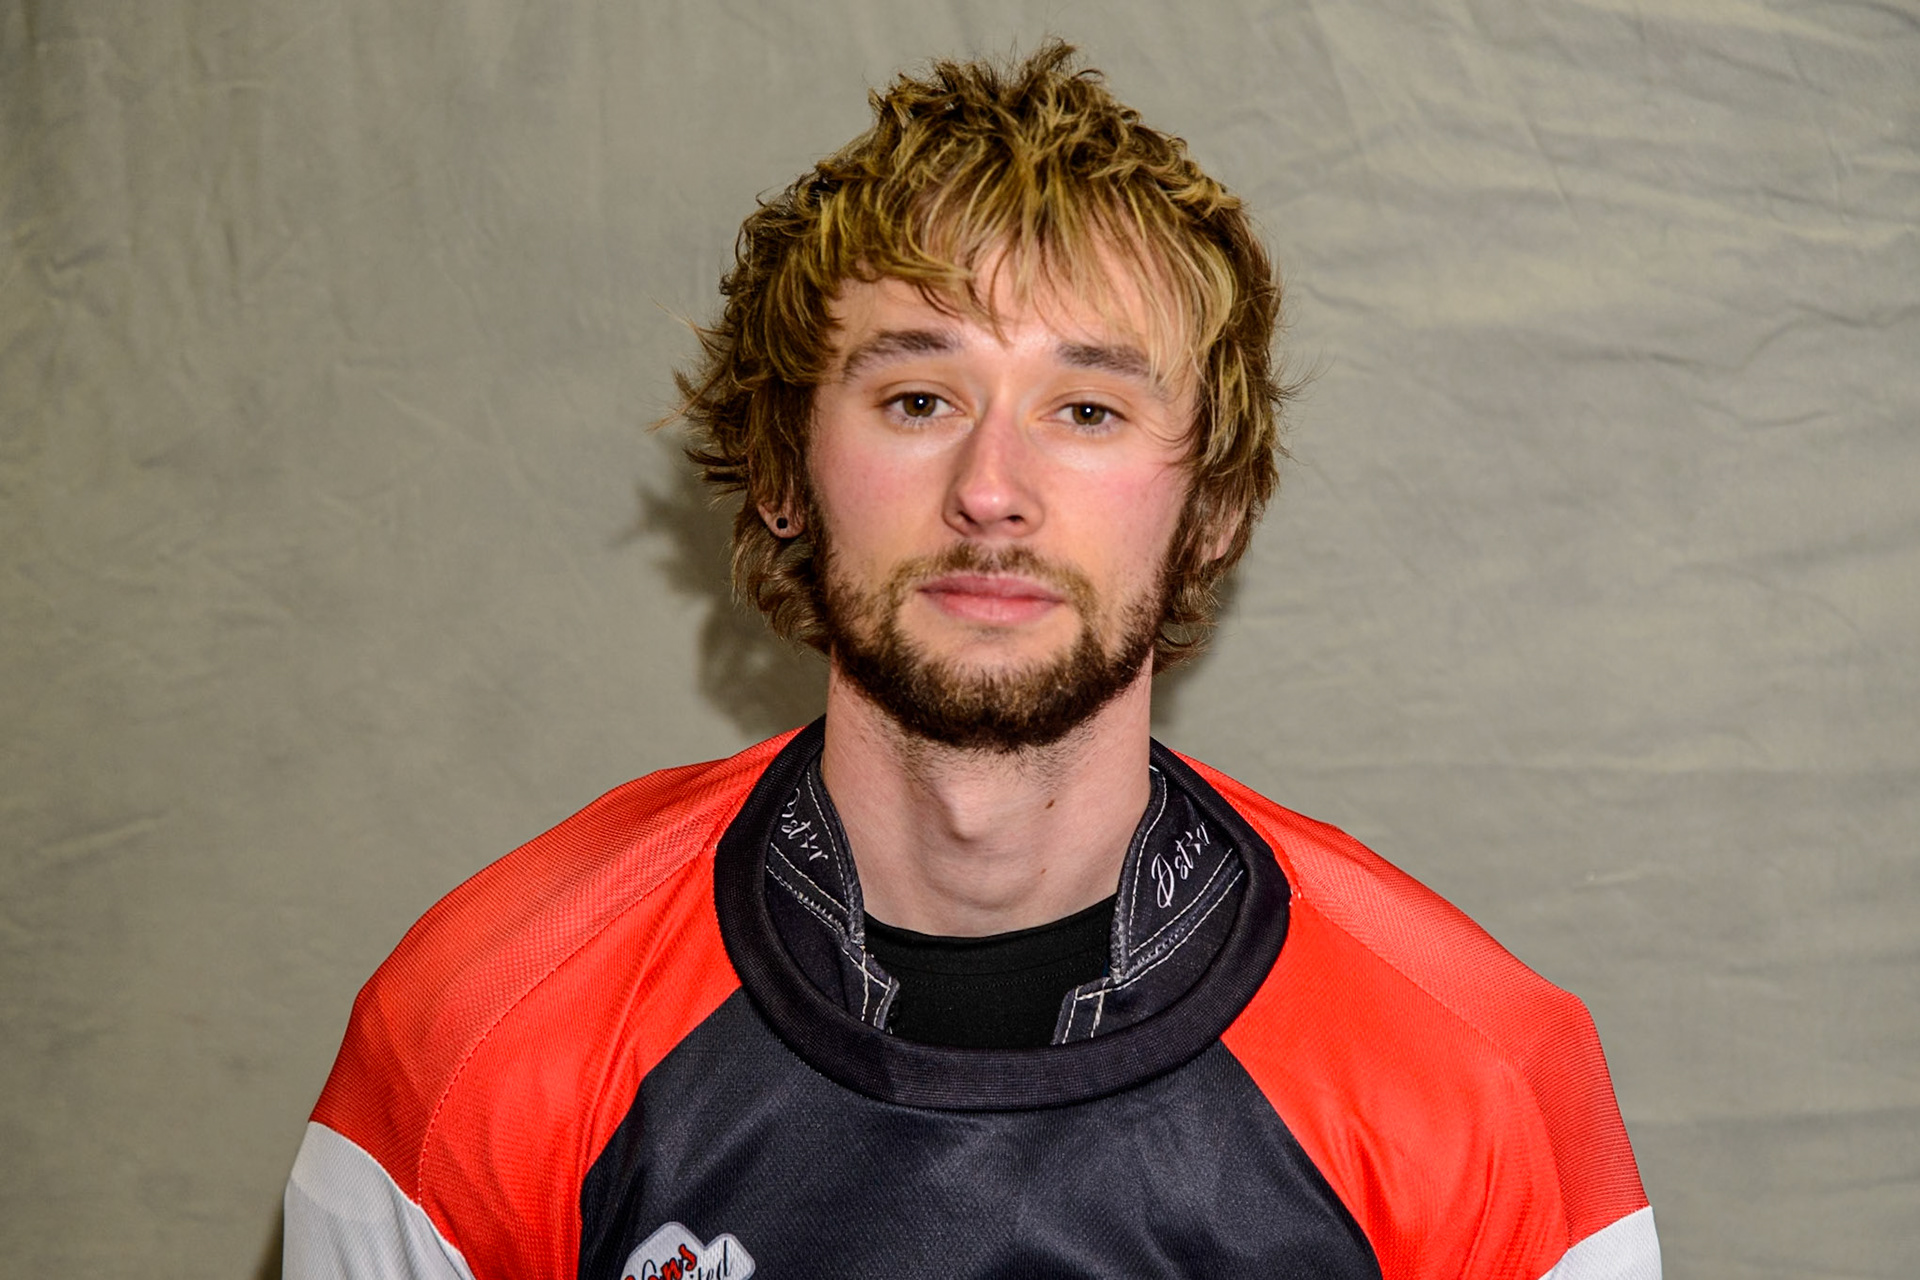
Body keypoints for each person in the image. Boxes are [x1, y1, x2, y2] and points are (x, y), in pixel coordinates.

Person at [284, 43, 1659, 1280]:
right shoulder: (475, 1035)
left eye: (1086, 408)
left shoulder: (1479, 1080)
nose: (992, 489)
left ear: (1212, 509)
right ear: (783, 471)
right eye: (919, 398)